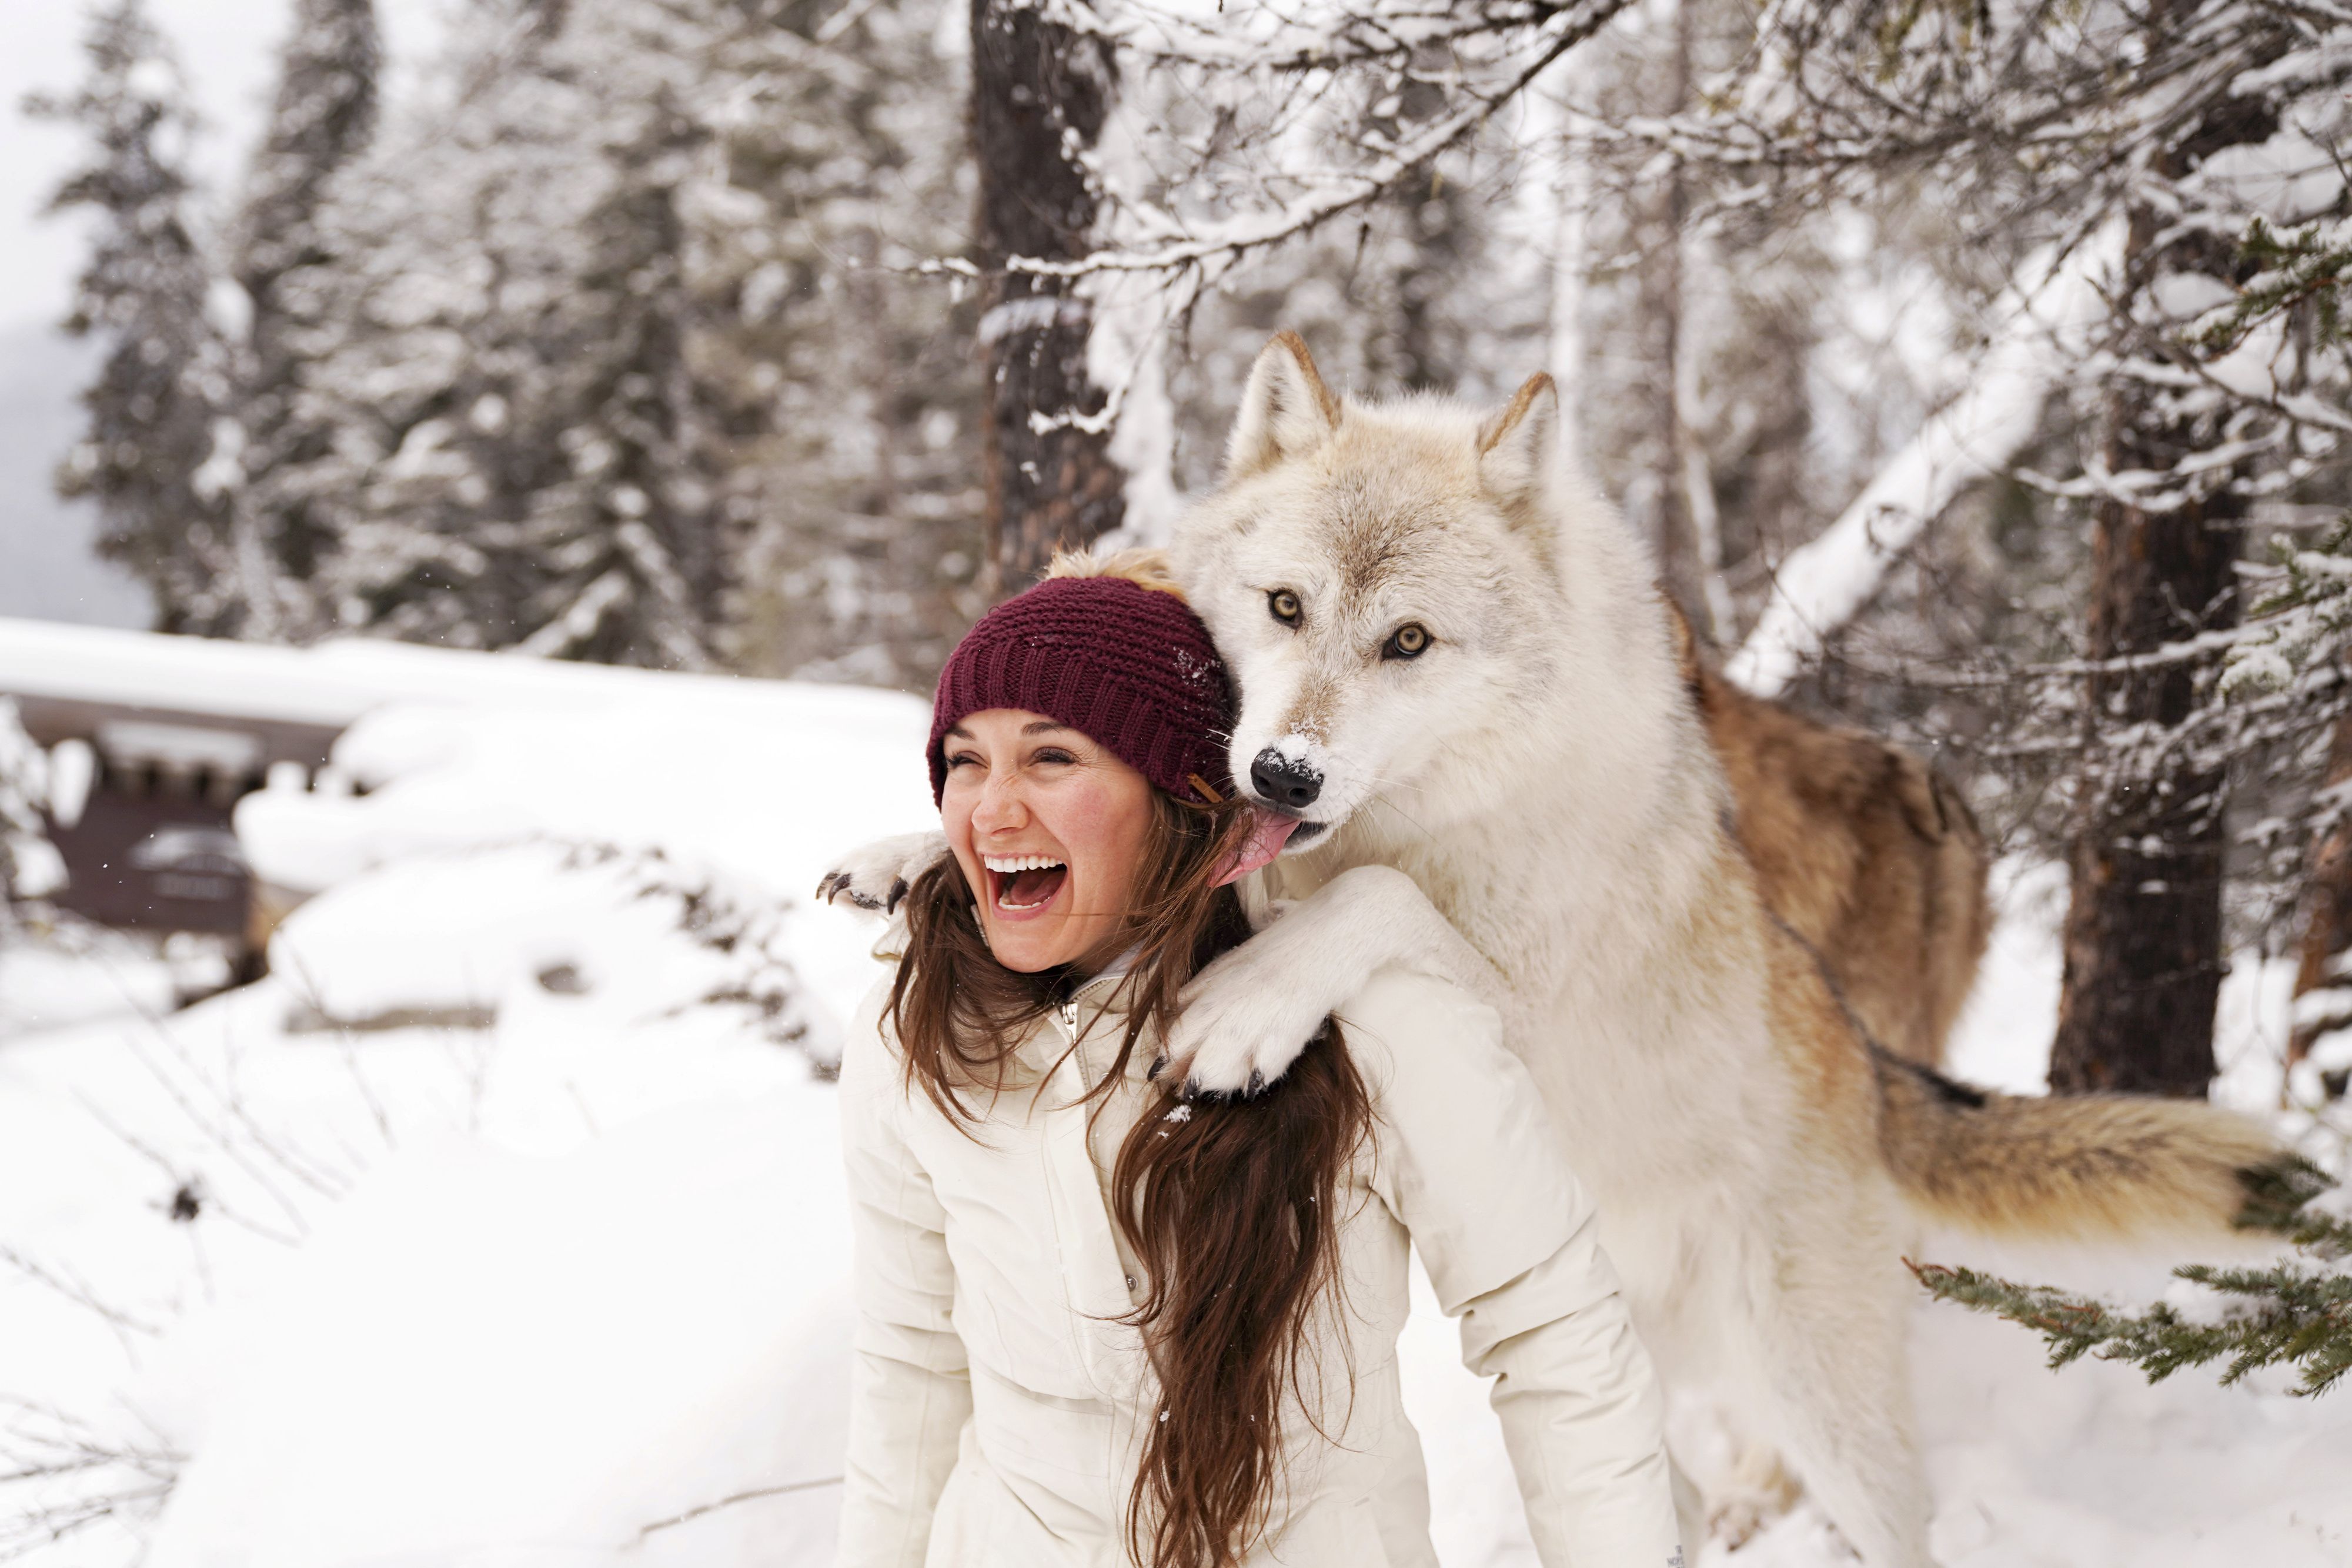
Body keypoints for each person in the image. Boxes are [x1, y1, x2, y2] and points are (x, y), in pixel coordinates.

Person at [834, 552, 1683, 1568]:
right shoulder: (918, 1023)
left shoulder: (1371, 1013)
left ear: (1178, 798)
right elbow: (912, 1363)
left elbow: (1556, 1339)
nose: (991, 809)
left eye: (1052, 758)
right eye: (964, 761)